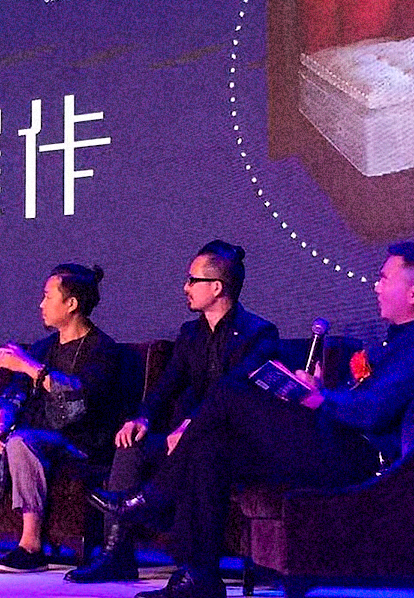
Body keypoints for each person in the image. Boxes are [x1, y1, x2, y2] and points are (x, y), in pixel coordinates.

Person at [92, 242, 414, 598]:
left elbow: (370, 412)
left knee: (230, 392)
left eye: (384, 279)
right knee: (212, 447)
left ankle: (155, 496)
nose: (376, 286)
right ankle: (199, 576)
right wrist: (319, 390)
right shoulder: (398, 343)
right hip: (337, 441)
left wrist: (318, 398)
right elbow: (363, 402)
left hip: (359, 457)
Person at [67, 241, 278, 582]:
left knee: (201, 449)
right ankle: (116, 555)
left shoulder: (259, 334)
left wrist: (191, 428)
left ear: (217, 287)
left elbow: (236, 394)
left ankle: (156, 512)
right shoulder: (190, 333)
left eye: (192, 280)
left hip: (235, 441)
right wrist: (142, 418)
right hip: (190, 435)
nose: (185, 287)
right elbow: (166, 386)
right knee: (131, 443)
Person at [0, 264, 127, 573]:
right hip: (30, 434)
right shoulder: (43, 347)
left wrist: (28, 366)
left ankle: (30, 546)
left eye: (48, 297)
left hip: (79, 441)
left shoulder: (103, 349)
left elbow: (79, 401)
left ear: (71, 304)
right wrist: (2, 424)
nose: (41, 304)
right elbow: (12, 395)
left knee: (23, 441)